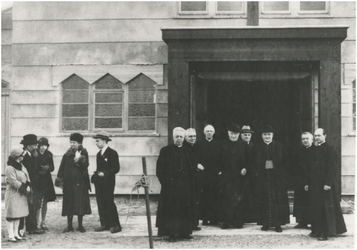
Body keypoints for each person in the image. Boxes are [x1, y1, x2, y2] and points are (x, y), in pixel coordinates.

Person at [156, 127, 195, 242]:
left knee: (185, 208)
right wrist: (166, 183)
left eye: (181, 137)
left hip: (184, 187)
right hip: (171, 188)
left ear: (184, 138)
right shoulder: (166, 150)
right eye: (177, 137)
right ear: (173, 138)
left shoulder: (187, 151)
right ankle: (172, 233)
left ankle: (185, 232)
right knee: (172, 210)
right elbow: (160, 170)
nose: (179, 139)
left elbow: (191, 168)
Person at [307, 128, 347, 241]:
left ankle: (325, 233)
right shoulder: (313, 149)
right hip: (315, 184)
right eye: (315, 136)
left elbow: (332, 168)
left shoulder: (330, 149)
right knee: (316, 208)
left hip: (325, 185)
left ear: (325, 136)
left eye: (319, 135)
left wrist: (328, 183)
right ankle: (317, 230)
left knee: (325, 209)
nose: (317, 138)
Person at [253, 125, 290, 232]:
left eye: (269, 134)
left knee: (277, 201)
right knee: (264, 200)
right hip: (262, 178)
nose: (267, 137)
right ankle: (265, 224)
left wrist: (282, 176)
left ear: (272, 135)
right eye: (265, 135)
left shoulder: (280, 146)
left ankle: (278, 224)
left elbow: (286, 163)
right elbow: (252, 163)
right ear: (261, 136)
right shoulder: (257, 147)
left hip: (277, 179)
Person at [57, 133, 91, 233]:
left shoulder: (83, 152)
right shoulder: (67, 154)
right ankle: (69, 225)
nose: (72, 144)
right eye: (71, 142)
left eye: (74, 142)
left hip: (81, 183)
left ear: (79, 143)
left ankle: (80, 225)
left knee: (80, 203)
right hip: (69, 183)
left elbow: (86, 165)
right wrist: (61, 180)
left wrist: (80, 160)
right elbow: (62, 167)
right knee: (69, 204)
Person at [92, 131, 122, 234]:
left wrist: (105, 173)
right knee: (101, 202)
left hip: (108, 182)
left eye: (97, 141)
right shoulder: (98, 154)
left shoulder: (112, 153)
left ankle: (116, 225)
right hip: (99, 183)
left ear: (104, 141)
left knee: (109, 202)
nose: (96, 143)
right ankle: (105, 224)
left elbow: (116, 168)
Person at [220, 124, 247, 229]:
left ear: (239, 134)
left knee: (239, 199)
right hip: (226, 176)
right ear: (228, 133)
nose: (233, 136)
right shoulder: (222, 144)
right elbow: (218, 159)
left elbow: (249, 160)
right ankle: (226, 222)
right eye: (231, 134)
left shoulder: (243, 144)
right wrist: (219, 171)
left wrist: (245, 168)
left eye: (235, 134)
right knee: (226, 199)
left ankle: (238, 221)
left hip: (239, 176)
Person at [195, 124, 222, 226]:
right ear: (204, 133)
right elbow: (196, 157)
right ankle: (205, 218)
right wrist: (198, 164)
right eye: (207, 131)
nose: (209, 133)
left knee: (215, 197)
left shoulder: (218, 144)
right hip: (204, 174)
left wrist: (220, 169)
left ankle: (214, 219)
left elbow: (221, 158)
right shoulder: (199, 144)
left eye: (211, 131)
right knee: (205, 197)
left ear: (214, 133)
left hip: (215, 174)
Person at [20, 134, 44, 235]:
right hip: (28, 184)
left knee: (33, 206)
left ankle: (32, 228)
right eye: (34, 145)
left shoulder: (32, 155)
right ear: (28, 146)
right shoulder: (23, 156)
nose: (36, 147)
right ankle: (25, 229)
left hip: (35, 184)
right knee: (28, 206)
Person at [5, 146, 31, 242]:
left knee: (18, 214)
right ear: (17, 156)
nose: (23, 157)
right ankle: (11, 235)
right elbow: (13, 181)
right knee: (11, 215)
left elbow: (27, 175)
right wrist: (24, 187)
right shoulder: (10, 168)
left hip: (21, 194)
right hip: (13, 194)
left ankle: (16, 234)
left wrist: (28, 184)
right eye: (21, 155)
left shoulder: (21, 165)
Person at [292, 132, 314, 229]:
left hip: (311, 181)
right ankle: (301, 222)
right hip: (299, 181)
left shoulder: (315, 151)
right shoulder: (298, 151)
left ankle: (312, 222)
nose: (305, 140)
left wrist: (308, 182)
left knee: (310, 201)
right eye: (303, 139)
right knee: (300, 201)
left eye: (307, 139)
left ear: (311, 140)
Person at [36, 137, 56, 231]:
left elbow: (52, 168)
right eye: (41, 145)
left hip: (46, 180)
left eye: (45, 146)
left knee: (45, 201)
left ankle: (43, 222)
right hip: (37, 179)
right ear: (38, 146)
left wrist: (47, 167)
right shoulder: (34, 154)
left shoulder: (49, 154)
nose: (43, 148)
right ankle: (36, 222)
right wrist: (38, 171)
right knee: (37, 201)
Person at [183, 128, 201, 231]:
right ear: (185, 137)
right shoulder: (184, 148)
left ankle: (194, 223)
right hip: (188, 180)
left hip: (196, 179)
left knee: (195, 201)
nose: (192, 138)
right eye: (190, 136)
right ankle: (189, 225)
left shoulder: (197, 147)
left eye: (194, 136)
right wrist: (196, 165)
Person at [240, 125, 257, 223]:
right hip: (241, 175)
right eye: (245, 134)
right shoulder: (239, 146)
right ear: (241, 136)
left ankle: (252, 216)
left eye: (248, 135)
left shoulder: (254, 146)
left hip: (252, 175)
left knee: (252, 195)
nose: (247, 136)